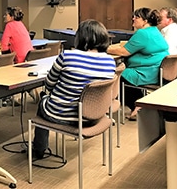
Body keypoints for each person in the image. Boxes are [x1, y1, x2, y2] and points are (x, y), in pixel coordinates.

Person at [32, 19, 116, 159]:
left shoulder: (67, 56)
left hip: (62, 115)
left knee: (43, 101)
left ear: (80, 37)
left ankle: (39, 149)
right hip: (93, 116)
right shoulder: (109, 61)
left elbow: (49, 84)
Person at [107, 7, 169, 120]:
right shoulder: (155, 31)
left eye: (137, 17)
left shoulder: (142, 33)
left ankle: (137, 106)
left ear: (145, 21)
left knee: (118, 75)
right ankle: (141, 103)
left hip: (147, 72)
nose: (133, 19)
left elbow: (123, 52)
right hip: (156, 70)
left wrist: (106, 49)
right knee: (125, 73)